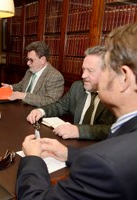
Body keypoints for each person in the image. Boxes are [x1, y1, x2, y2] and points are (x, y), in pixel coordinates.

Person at [17, 22, 137, 200]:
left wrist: (33, 159)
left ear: (125, 77)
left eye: (104, 69)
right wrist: (68, 153)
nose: (83, 75)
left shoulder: (101, 164)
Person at [27, 46, 116, 140]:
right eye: (83, 69)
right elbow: (60, 106)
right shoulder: (78, 87)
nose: (83, 75)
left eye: (90, 70)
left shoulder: (117, 95)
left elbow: (114, 129)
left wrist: (78, 131)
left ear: (107, 73)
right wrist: (41, 111)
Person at [1, 41, 64, 107]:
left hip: (37, 113)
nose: (28, 63)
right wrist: (10, 87)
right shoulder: (30, 71)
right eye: (28, 59)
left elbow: (50, 101)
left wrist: (24, 96)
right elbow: (22, 86)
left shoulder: (55, 76)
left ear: (42, 60)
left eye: (31, 60)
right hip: (22, 107)